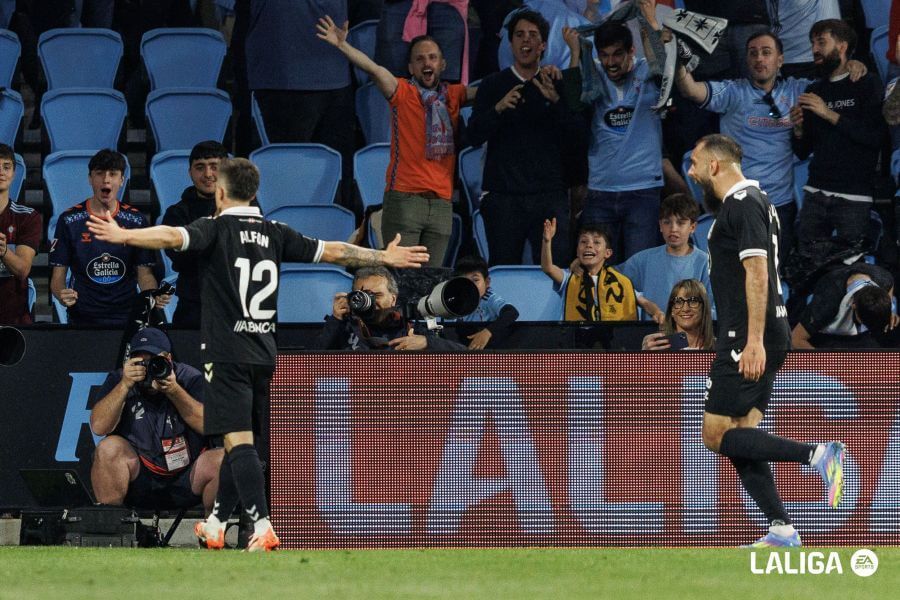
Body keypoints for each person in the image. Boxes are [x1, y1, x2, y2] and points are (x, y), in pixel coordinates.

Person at [86, 157, 429, 552]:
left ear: (219, 191)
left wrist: (124, 236)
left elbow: (169, 236)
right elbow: (333, 250)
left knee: (240, 441)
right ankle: (215, 523)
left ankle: (262, 525)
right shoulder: (275, 231)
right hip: (264, 353)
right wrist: (382, 257)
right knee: (243, 445)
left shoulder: (214, 228)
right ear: (255, 193)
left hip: (227, 353)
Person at [687, 133, 845, 547]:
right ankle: (781, 528)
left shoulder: (742, 204)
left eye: (694, 163)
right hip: (757, 330)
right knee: (742, 434)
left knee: (716, 434)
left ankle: (818, 455)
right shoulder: (756, 203)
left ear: (715, 167)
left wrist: (752, 339)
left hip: (748, 333)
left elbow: (756, 272)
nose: (690, 172)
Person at [674, 30, 868, 263]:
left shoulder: (798, 90)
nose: (759, 59)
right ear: (746, 60)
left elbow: (837, 83)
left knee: (777, 281)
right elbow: (690, 90)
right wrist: (678, 64)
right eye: (753, 53)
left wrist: (852, 65)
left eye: (766, 53)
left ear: (780, 60)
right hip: (741, 205)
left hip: (781, 206)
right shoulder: (733, 92)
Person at [317, 14, 477, 267]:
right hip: (405, 202)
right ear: (411, 67)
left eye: (433, 57)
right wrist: (342, 45)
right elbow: (373, 68)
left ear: (443, 65)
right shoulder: (402, 91)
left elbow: (492, 89)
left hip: (442, 205)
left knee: (430, 285)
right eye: (420, 59)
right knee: (400, 283)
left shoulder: (454, 96)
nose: (427, 63)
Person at [466, 8, 578, 267]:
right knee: (503, 270)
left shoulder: (555, 82)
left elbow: (576, 137)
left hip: (549, 196)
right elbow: (472, 135)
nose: (525, 40)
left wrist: (556, 101)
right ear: (511, 43)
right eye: (519, 35)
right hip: (504, 198)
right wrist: (498, 108)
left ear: (543, 45)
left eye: (532, 35)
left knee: (555, 273)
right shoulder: (492, 85)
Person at [562, 3, 666, 262]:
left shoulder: (647, 72)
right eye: (604, 55)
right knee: (598, 271)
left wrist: (651, 23)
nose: (610, 62)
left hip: (643, 190)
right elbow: (574, 104)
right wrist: (575, 53)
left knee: (637, 269)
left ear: (632, 51)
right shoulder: (593, 74)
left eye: (617, 54)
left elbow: (667, 68)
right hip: (601, 191)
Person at [90, 328, 223, 513]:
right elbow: (98, 426)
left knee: (222, 459)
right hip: (140, 476)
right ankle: (112, 529)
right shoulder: (120, 379)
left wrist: (174, 390)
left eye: (155, 361)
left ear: (168, 359)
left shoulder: (189, 378)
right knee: (108, 448)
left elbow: (208, 426)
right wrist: (124, 385)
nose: (149, 368)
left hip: (188, 475)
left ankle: (212, 533)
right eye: (141, 362)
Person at [790, 19, 886, 254]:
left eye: (821, 42)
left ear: (842, 46)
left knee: (853, 269)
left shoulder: (867, 83)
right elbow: (803, 151)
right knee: (807, 268)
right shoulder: (814, 91)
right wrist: (798, 129)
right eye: (812, 43)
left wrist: (828, 113)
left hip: (854, 197)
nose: (814, 50)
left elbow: (875, 138)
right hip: (814, 193)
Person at [49, 149, 170, 326]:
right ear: (90, 179)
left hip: (127, 315)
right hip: (83, 316)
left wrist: (151, 294)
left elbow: (144, 274)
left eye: (113, 174)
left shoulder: (137, 221)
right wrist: (61, 294)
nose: (106, 179)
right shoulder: (68, 220)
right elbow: (57, 278)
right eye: (99, 174)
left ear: (122, 180)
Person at [314, 266, 468, 351]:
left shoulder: (410, 326)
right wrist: (335, 320)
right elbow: (310, 362)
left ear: (393, 298)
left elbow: (465, 355)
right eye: (364, 295)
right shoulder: (345, 325)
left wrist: (427, 343)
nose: (371, 301)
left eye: (377, 295)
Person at [161, 140, 230, 327]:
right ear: (190, 172)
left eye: (214, 167)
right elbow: (181, 258)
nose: (208, 174)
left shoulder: (246, 207)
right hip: (192, 308)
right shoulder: (175, 213)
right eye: (200, 167)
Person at [618, 193, 711, 323]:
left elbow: (713, 309)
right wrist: (640, 299)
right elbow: (612, 279)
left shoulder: (704, 263)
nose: (673, 229)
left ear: (693, 227)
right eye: (667, 222)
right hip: (652, 336)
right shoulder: (644, 260)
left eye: (680, 223)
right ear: (660, 226)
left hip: (691, 336)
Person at [541, 218, 637, 321]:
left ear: (607, 253)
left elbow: (643, 301)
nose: (589, 245)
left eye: (596, 242)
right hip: (577, 335)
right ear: (577, 252)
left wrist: (656, 312)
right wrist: (547, 241)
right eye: (583, 241)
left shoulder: (621, 282)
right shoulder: (569, 278)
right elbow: (548, 268)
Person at [791, 263, 896, 349]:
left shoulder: (885, 279)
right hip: (828, 337)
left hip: (861, 336)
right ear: (854, 305)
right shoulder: (828, 302)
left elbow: (890, 285)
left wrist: (889, 311)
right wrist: (823, 364)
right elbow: (795, 339)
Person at [0, 144, 41, 325]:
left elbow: (23, 270)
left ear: (14, 173)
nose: (1, 172)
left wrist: (4, 252)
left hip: (14, 319)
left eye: (6, 167)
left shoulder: (27, 216)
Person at [451, 255, 519, 349]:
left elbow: (511, 312)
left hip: (490, 350)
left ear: (487, 282)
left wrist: (487, 333)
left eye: (475, 280)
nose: (470, 285)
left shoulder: (489, 298)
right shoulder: (456, 300)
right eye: (464, 281)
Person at [641, 278, 714, 351]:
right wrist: (644, 357)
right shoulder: (656, 346)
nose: (685, 309)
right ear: (672, 310)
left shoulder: (719, 347)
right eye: (678, 302)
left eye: (693, 301)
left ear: (704, 308)